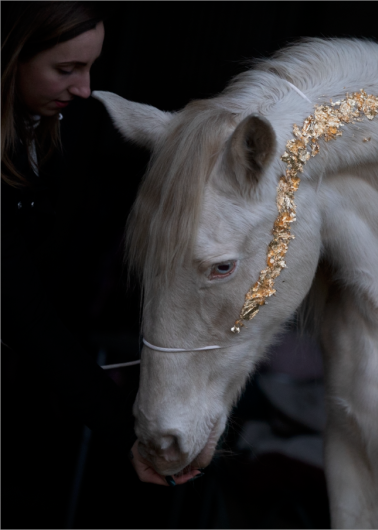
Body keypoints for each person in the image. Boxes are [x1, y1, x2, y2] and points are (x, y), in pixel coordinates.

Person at [1, 4, 201, 525]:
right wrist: (125, 433)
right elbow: (25, 315)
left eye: (90, 68)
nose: (84, 87)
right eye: (66, 70)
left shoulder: (69, 120)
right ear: (11, 59)